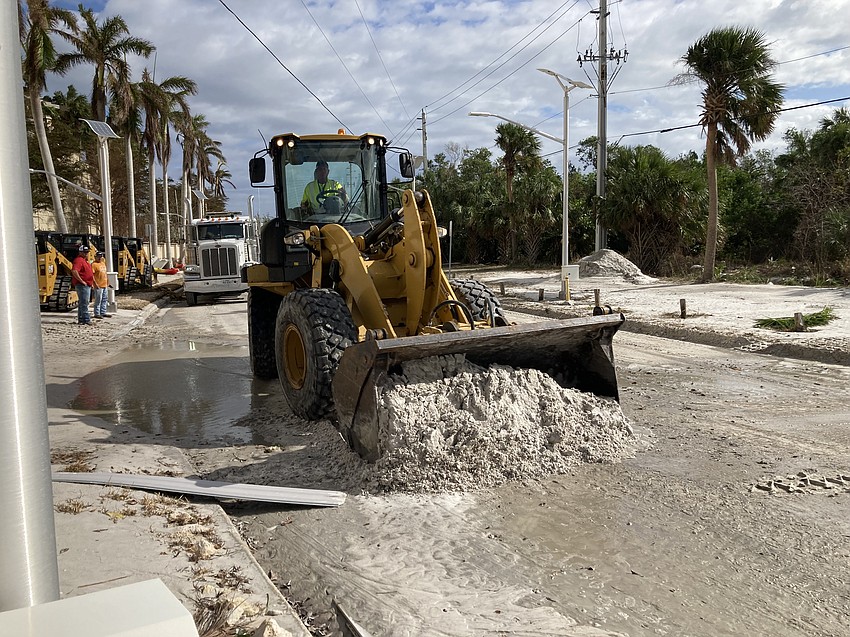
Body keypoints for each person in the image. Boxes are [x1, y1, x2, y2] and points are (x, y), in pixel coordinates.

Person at [71, 244, 94, 325]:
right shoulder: (78, 260)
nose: (86, 253)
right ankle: (86, 319)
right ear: (80, 252)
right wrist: (81, 281)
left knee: (82, 302)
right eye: (84, 252)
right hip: (82, 285)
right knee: (85, 302)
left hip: (86, 284)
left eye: (87, 252)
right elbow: (74, 271)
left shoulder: (85, 261)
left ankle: (81, 319)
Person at [91, 251, 111, 319]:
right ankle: (97, 313)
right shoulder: (93, 265)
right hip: (98, 285)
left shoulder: (103, 263)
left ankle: (103, 312)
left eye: (100, 257)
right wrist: (95, 284)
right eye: (98, 257)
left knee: (104, 299)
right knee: (98, 299)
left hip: (104, 284)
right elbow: (92, 275)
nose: (99, 258)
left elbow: (105, 273)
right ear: (95, 257)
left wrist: (108, 281)